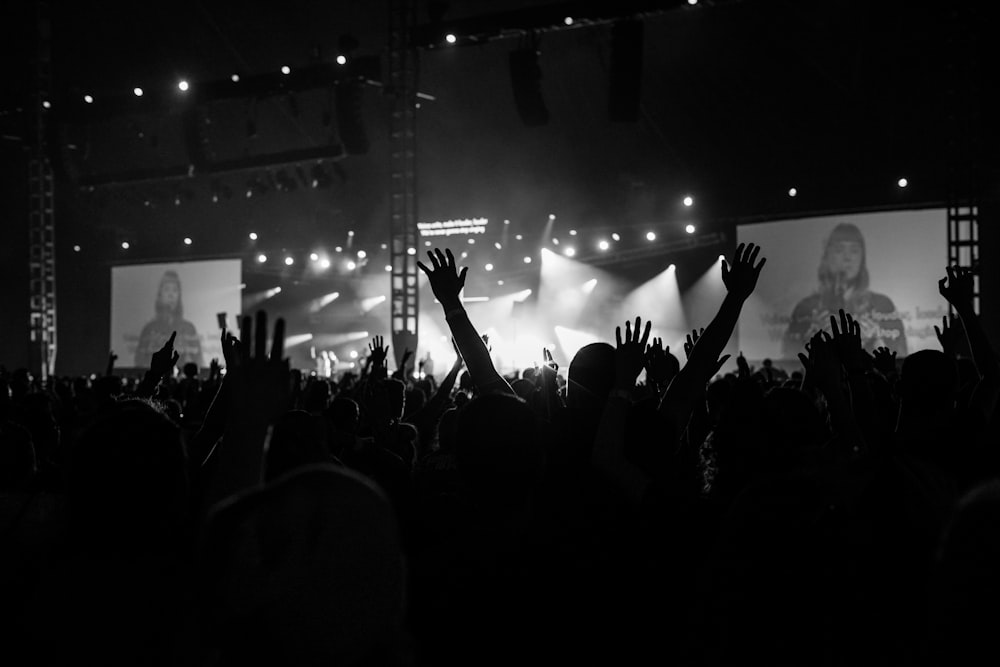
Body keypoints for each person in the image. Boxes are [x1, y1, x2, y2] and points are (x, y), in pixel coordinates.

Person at [782, 222, 906, 359]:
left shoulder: (882, 305)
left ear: (862, 258)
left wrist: (875, 341)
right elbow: (789, 358)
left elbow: (899, 357)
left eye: (854, 251)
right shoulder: (805, 307)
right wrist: (813, 340)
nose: (847, 258)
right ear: (827, 256)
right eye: (839, 250)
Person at [134, 270, 203, 369]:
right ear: (160, 294)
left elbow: (198, 360)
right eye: (167, 290)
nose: (171, 295)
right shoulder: (149, 329)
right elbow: (139, 361)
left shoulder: (189, 328)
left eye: (175, 290)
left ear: (179, 295)